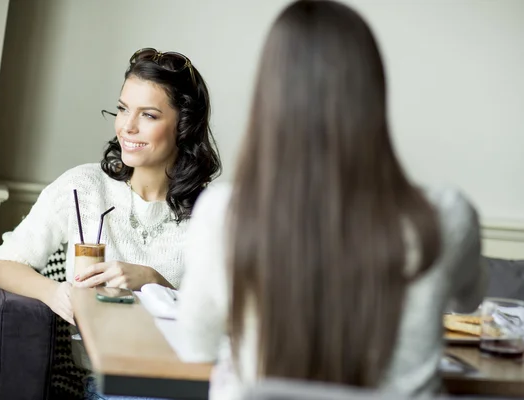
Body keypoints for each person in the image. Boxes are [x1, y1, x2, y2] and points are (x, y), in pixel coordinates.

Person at [177, 1, 486, 399]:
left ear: (268, 96)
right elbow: (470, 300)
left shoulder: (225, 213)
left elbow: (195, 344)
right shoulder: (446, 214)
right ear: (373, 93)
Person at [0, 47, 221, 399]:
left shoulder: (211, 213)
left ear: (183, 126)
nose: (127, 126)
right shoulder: (83, 187)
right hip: (111, 382)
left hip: (185, 378)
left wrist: (156, 282)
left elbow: (224, 320)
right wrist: (56, 294)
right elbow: (4, 266)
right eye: (124, 108)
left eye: (149, 115)